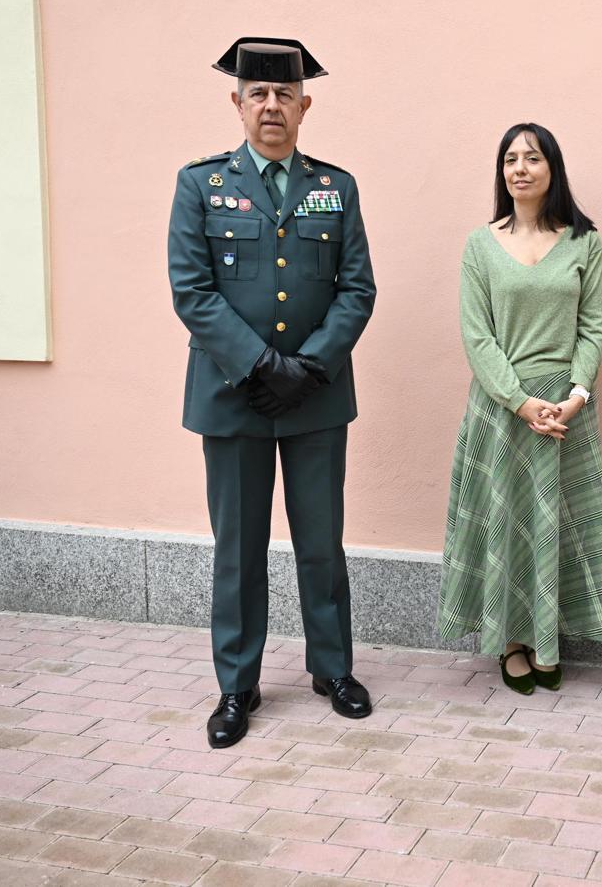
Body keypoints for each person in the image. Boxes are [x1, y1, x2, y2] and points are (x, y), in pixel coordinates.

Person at [167, 37, 377, 748]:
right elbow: (192, 292)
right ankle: (237, 686)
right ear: (237, 104)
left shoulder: (335, 187)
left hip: (315, 399)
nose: (271, 107)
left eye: (284, 95)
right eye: (257, 94)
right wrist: (262, 367)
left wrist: (307, 368)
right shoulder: (201, 184)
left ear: (304, 106)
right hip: (233, 398)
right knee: (239, 549)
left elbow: (357, 289)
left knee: (322, 543)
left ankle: (333, 669)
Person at [438, 122, 602, 694]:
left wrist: (576, 395)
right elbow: (477, 336)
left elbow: (594, 326)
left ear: (552, 169)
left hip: (566, 412)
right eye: (510, 159)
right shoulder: (480, 244)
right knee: (509, 525)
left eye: (533, 158)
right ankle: (512, 642)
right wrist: (520, 402)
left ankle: (550, 638)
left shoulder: (583, 242)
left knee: (554, 528)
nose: (520, 168)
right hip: (503, 409)